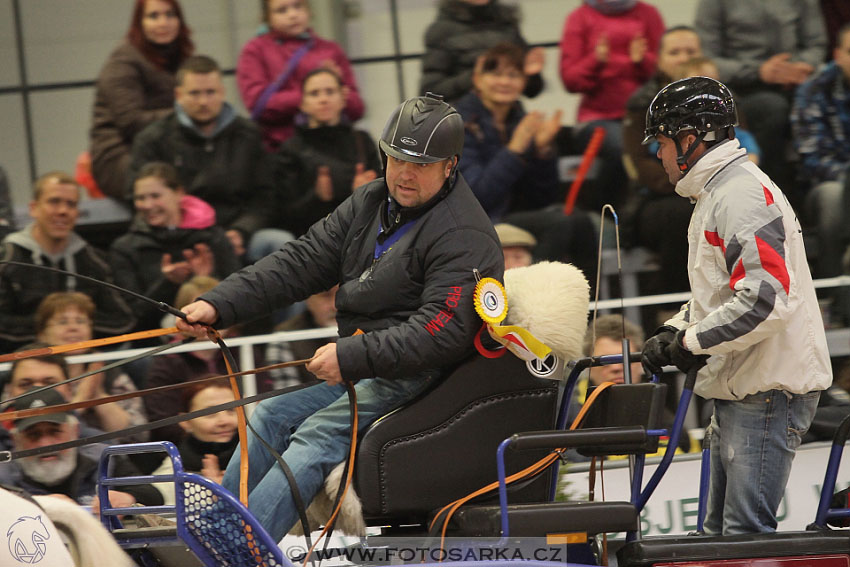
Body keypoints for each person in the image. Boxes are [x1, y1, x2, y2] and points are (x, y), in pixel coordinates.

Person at [175, 93, 503, 541]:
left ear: (450, 165)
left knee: (318, 434)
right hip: (371, 366)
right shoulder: (371, 200)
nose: (405, 173)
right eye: (396, 158)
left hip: (424, 377)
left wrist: (351, 355)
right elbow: (301, 261)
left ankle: (242, 547)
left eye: (422, 164)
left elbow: (439, 334)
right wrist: (220, 303)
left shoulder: (464, 233)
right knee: (264, 415)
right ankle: (213, 534)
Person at [640, 76, 831, 535]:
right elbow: (722, 292)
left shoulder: (740, 195)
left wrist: (691, 341)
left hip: (765, 392)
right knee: (717, 540)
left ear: (690, 139)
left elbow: (767, 299)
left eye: (662, 143)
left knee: (743, 540)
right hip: (745, 388)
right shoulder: (718, 194)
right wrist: (675, 329)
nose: (658, 155)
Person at [454, 43, 597, 280]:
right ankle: (530, 301)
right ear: (477, 80)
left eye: (513, 75)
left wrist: (542, 152)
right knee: (559, 223)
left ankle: (591, 309)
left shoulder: (520, 119)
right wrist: (514, 150)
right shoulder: (460, 123)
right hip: (479, 219)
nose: (504, 82)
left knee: (582, 222)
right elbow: (477, 195)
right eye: (495, 74)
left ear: (523, 82)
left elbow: (542, 198)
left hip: (516, 214)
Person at [128, 55, 286, 262]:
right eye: (194, 93)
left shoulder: (248, 134)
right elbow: (140, 197)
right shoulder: (152, 140)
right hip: (178, 239)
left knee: (280, 243)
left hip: (239, 234)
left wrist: (241, 231)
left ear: (222, 92)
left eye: (210, 92)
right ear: (178, 95)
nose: (203, 101)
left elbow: (265, 196)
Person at [694, 0, 826, 209]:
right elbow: (707, 58)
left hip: (797, 80)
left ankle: (822, 192)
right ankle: (771, 200)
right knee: (772, 108)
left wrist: (798, 66)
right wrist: (759, 71)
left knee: (824, 99)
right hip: (741, 88)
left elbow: (817, 45)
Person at [0, 172, 135, 352]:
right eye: (54, 202)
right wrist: (50, 329)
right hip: (20, 359)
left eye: (71, 204)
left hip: (85, 356)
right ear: (33, 208)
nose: (63, 211)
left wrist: (75, 330)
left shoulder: (93, 260)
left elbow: (122, 320)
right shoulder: (7, 258)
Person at [110, 161, 241, 333]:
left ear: (179, 193)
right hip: (156, 347)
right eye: (140, 198)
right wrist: (168, 283)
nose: (147, 205)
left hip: (215, 339)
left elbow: (239, 300)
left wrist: (206, 280)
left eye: (155, 196)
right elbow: (132, 319)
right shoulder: (125, 248)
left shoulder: (213, 238)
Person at [559, 0, 665, 211]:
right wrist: (595, 61)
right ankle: (614, 217)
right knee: (625, 147)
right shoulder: (580, 17)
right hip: (597, 119)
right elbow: (570, 80)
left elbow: (665, 70)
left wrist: (642, 61)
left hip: (644, 116)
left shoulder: (648, 14)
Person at [145, 276, 271, 446]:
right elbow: (164, 422)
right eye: (199, 311)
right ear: (181, 315)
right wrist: (203, 443)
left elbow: (264, 402)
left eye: (216, 309)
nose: (208, 319)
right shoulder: (167, 361)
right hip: (190, 448)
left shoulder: (246, 349)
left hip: (249, 442)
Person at [89, 0, 193, 199]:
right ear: (139, 22)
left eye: (170, 15)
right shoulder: (122, 62)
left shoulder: (183, 58)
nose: (163, 23)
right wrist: (184, 112)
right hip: (119, 156)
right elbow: (131, 123)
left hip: (165, 151)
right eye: (153, 16)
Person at [0, 386, 163, 509]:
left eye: (55, 432)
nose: (45, 444)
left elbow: (153, 495)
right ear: (16, 440)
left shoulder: (102, 458)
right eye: (33, 435)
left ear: (75, 431)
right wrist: (41, 505)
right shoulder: (3, 475)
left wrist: (128, 498)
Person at [237, 0, 365, 151]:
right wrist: (313, 96)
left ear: (309, 10)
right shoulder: (255, 51)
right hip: (278, 148)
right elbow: (258, 105)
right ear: (267, 17)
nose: (292, 15)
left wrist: (336, 93)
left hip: (333, 147)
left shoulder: (330, 50)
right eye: (282, 10)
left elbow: (357, 108)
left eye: (298, 6)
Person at [274, 68, 382, 237]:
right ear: (302, 103)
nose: (323, 99)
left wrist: (365, 192)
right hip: (312, 236)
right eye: (314, 93)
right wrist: (316, 197)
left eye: (330, 92)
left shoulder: (361, 140)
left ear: (343, 99)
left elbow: (386, 197)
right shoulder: (290, 150)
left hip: (361, 232)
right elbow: (283, 213)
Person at [791, 22, 850, 325]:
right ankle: (833, 299)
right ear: (838, 54)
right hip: (827, 185)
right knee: (832, 198)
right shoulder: (814, 90)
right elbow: (811, 158)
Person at [34, 293, 147, 443]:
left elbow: (138, 435)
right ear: (42, 334)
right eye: (62, 322)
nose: (73, 328)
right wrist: (82, 398)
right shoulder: (31, 374)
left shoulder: (108, 371)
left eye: (81, 321)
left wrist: (97, 394)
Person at [420, 0, 544, 103]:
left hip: (507, 117)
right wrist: (476, 76)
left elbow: (532, 91)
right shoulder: (442, 30)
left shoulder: (507, 23)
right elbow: (430, 93)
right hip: (464, 119)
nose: (503, 81)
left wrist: (530, 74)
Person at [151, 379, 237, 505]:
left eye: (231, 410)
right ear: (185, 421)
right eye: (210, 413)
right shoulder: (172, 471)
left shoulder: (261, 459)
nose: (224, 421)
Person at [266, 285, 338, 388]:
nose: (335, 306)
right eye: (325, 296)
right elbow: (288, 398)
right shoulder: (285, 337)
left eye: (342, 294)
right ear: (307, 299)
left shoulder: (365, 326)